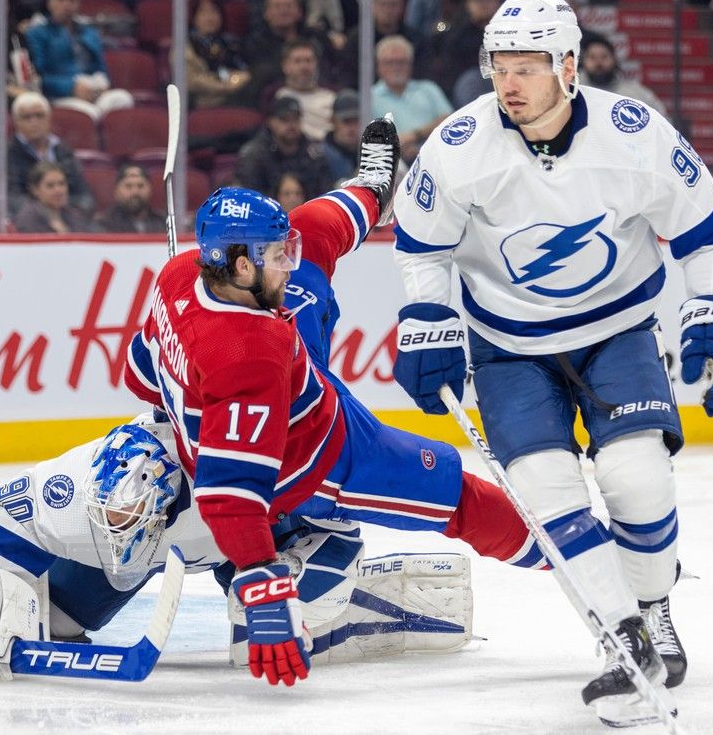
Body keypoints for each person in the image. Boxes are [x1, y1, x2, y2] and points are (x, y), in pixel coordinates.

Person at [390, 0, 713, 726]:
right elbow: (422, 245)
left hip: (617, 331)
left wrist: (712, 308)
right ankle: (623, 638)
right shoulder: (459, 144)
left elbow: (705, 230)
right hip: (509, 348)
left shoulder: (634, 134)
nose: (509, 84)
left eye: (527, 67)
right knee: (545, 492)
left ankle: (653, 604)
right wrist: (427, 318)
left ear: (569, 66)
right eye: (499, 67)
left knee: (637, 479)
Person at [124, 116, 548, 689]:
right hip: (314, 461)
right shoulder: (246, 355)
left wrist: (178, 399)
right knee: (458, 495)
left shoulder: (179, 275)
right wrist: (263, 587)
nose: (288, 261)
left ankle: (371, 189)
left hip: (297, 382)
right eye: (277, 254)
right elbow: (232, 496)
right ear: (242, 265)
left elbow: (140, 373)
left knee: (313, 247)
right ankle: (569, 553)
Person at [0, 413, 481, 681]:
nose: (117, 528)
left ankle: (358, 608)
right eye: (111, 518)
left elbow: (337, 508)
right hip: (175, 551)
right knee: (51, 625)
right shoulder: (69, 489)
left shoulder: (233, 476)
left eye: (129, 519)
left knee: (264, 631)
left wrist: (300, 568)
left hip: (256, 542)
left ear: (169, 501)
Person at [25, 0, 134, 121]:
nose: (67, 5)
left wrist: (103, 85)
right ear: (49, 3)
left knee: (122, 98)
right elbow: (39, 77)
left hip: (92, 88)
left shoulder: (89, 32)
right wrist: (71, 87)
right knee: (89, 113)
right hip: (61, 95)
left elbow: (102, 69)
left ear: (78, 3)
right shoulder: (37, 33)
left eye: (72, 0)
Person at [7, 91, 94, 215]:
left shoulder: (63, 150)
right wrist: (48, 214)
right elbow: (13, 198)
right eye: (26, 117)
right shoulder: (6, 153)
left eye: (39, 115)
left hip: (68, 216)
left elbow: (84, 195)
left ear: (49, 118)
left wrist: (67, 214)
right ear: (16, 122)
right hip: (30, 220)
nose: (34, 122)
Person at [233, 95, 334, 200]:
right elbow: (248, 197)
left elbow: (325, 193)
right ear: (270, 122)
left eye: (295, 119)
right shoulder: (254, 154)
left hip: (308, 208)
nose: (291, 125)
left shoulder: (313, 153)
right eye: (284, 119)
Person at [371, 35, 453, 162]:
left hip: (436, 156)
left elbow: (449, 120)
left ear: (410, 64)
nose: (396, 67)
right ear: (379, 66)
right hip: (390, 162)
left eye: (401, 62)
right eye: (389, 62)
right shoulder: (369, 97)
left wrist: (415, 135)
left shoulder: (428, 89)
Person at [339, 0, 431, 88]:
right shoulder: (358, 39)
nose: (388, 10)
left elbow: (422, 75)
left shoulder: (416, 39)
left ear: (402, 7)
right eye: (382, 4)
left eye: (393, 5)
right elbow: (348, 77)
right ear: (372, 5)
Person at [181, 0, 253, 110]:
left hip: (237, 97)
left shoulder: (231, 42)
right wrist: (225, 86)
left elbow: (244, 71)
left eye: (214, 12)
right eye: (203, 13)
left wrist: (239, 79)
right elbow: (191, 80)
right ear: (193, 18)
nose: (210, 18)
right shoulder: (184, 47)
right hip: (202, 102)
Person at [578, 34, 668, 118]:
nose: (599, 63)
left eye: (604, 57)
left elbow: (662, 120)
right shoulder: (575, 91)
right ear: (583, 61)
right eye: (592, 57)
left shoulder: (636, 92)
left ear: (614, 60)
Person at [273, 39, 337, 143]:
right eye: (297, 61)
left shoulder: (332, 97)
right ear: (285, 66)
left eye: (308, 61)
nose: (304, 67)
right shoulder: (279, 97)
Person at [14, 160, 91, 233]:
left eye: (62, 183)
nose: (58, 190)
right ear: (35, 190)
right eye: (50, 186)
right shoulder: (29, 218)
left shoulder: (74, 214)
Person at [94, 165, 165, 233]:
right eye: (128, 186)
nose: (135, 192)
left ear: (150, 189)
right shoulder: (102, 225)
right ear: (116, 191)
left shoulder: (164, 223)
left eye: (140, 186)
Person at [322, 89, 361, 183]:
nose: (352, 128)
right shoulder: (321, 156)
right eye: (346, 121)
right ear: (333, 121)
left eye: (356, 121)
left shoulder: (369, 152)